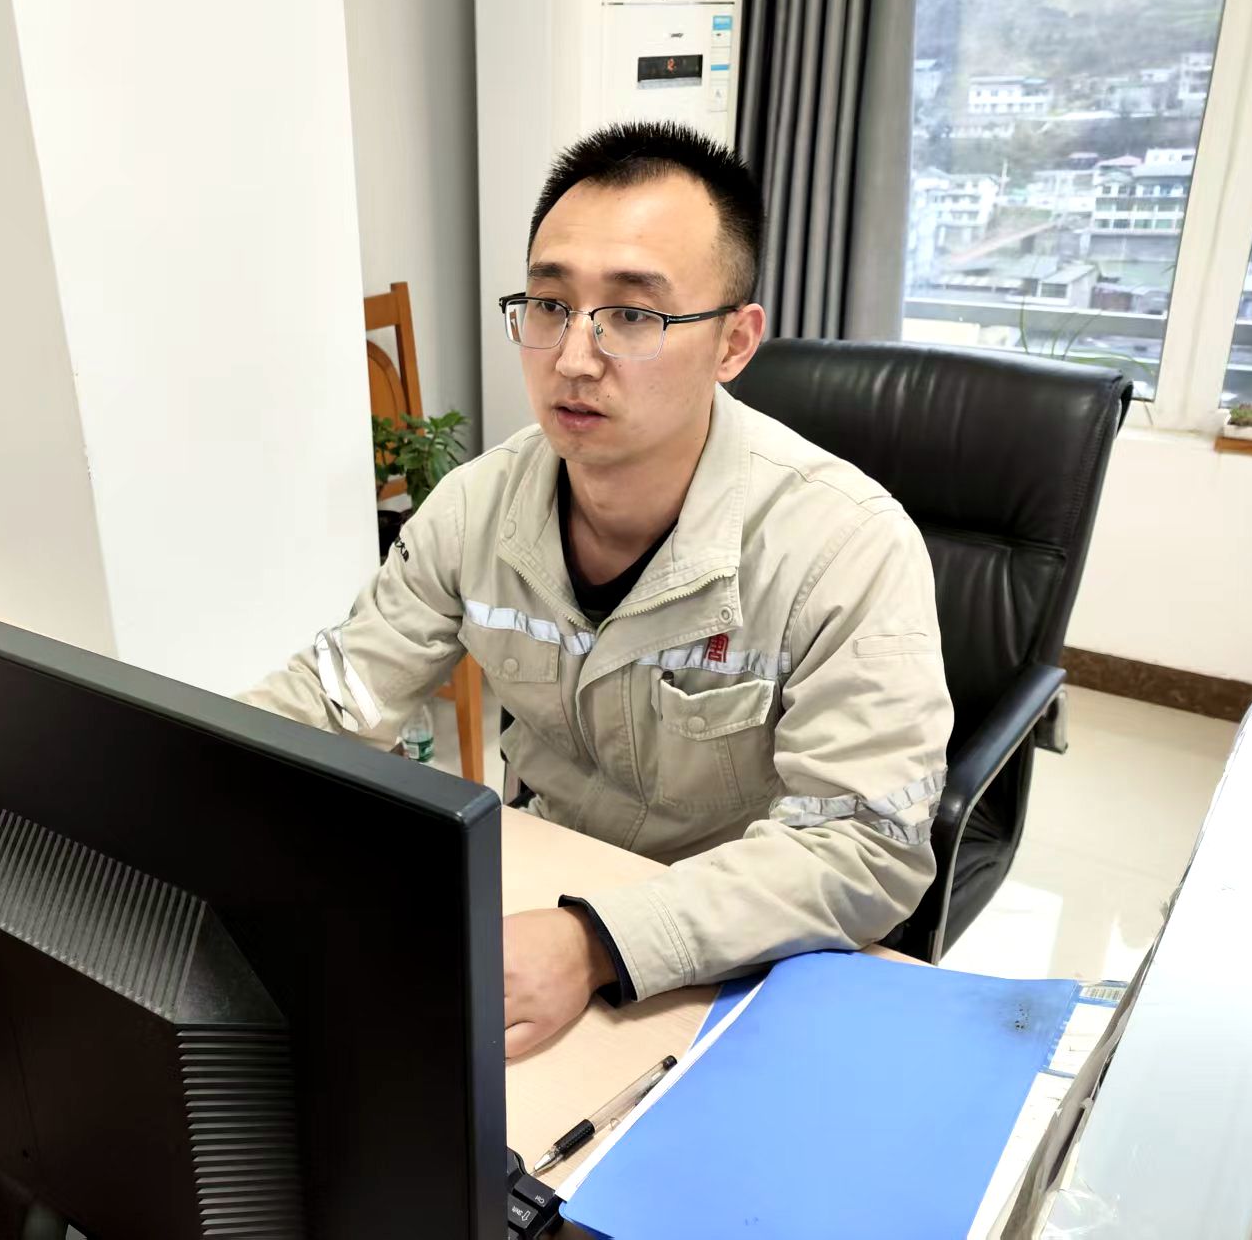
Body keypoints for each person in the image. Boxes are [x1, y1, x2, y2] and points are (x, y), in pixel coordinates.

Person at [242, 120, 953, 1058]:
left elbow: (865, 847)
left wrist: (597, 939)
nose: (574, 358)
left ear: (734, 342)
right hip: (535, 899)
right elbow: (336, 699)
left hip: (739, 951)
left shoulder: (845, 548)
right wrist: (183, 777)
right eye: (550, 304)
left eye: (633, 315)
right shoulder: (475, 508)